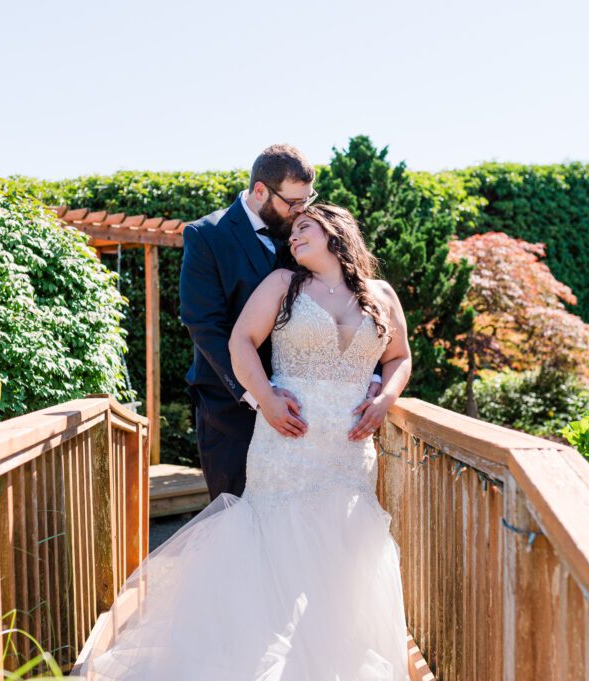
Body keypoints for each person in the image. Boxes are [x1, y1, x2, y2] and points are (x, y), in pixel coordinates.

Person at [81, 202, 414, 680]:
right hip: (286, 446)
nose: (293, 238)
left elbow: (399, 356)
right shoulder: (282, 285)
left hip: (348, 451)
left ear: (335, 234)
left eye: (305, 228)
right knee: (277, 549)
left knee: (343, 559)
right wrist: (265, 399)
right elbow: (240, 341)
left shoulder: (381, 295)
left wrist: (385, 399)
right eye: (292, 231)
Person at [178, 144, 383, 501]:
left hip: (312, 420)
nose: (302, 210)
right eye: (293, 202)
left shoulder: (302, 231)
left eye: (307, 199)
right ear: (260, 191)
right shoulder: (206, 236)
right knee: (240, 530)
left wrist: (372, 373)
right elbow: (205, 326)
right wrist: (261, 396)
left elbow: (347, 296)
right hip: (231, 411)